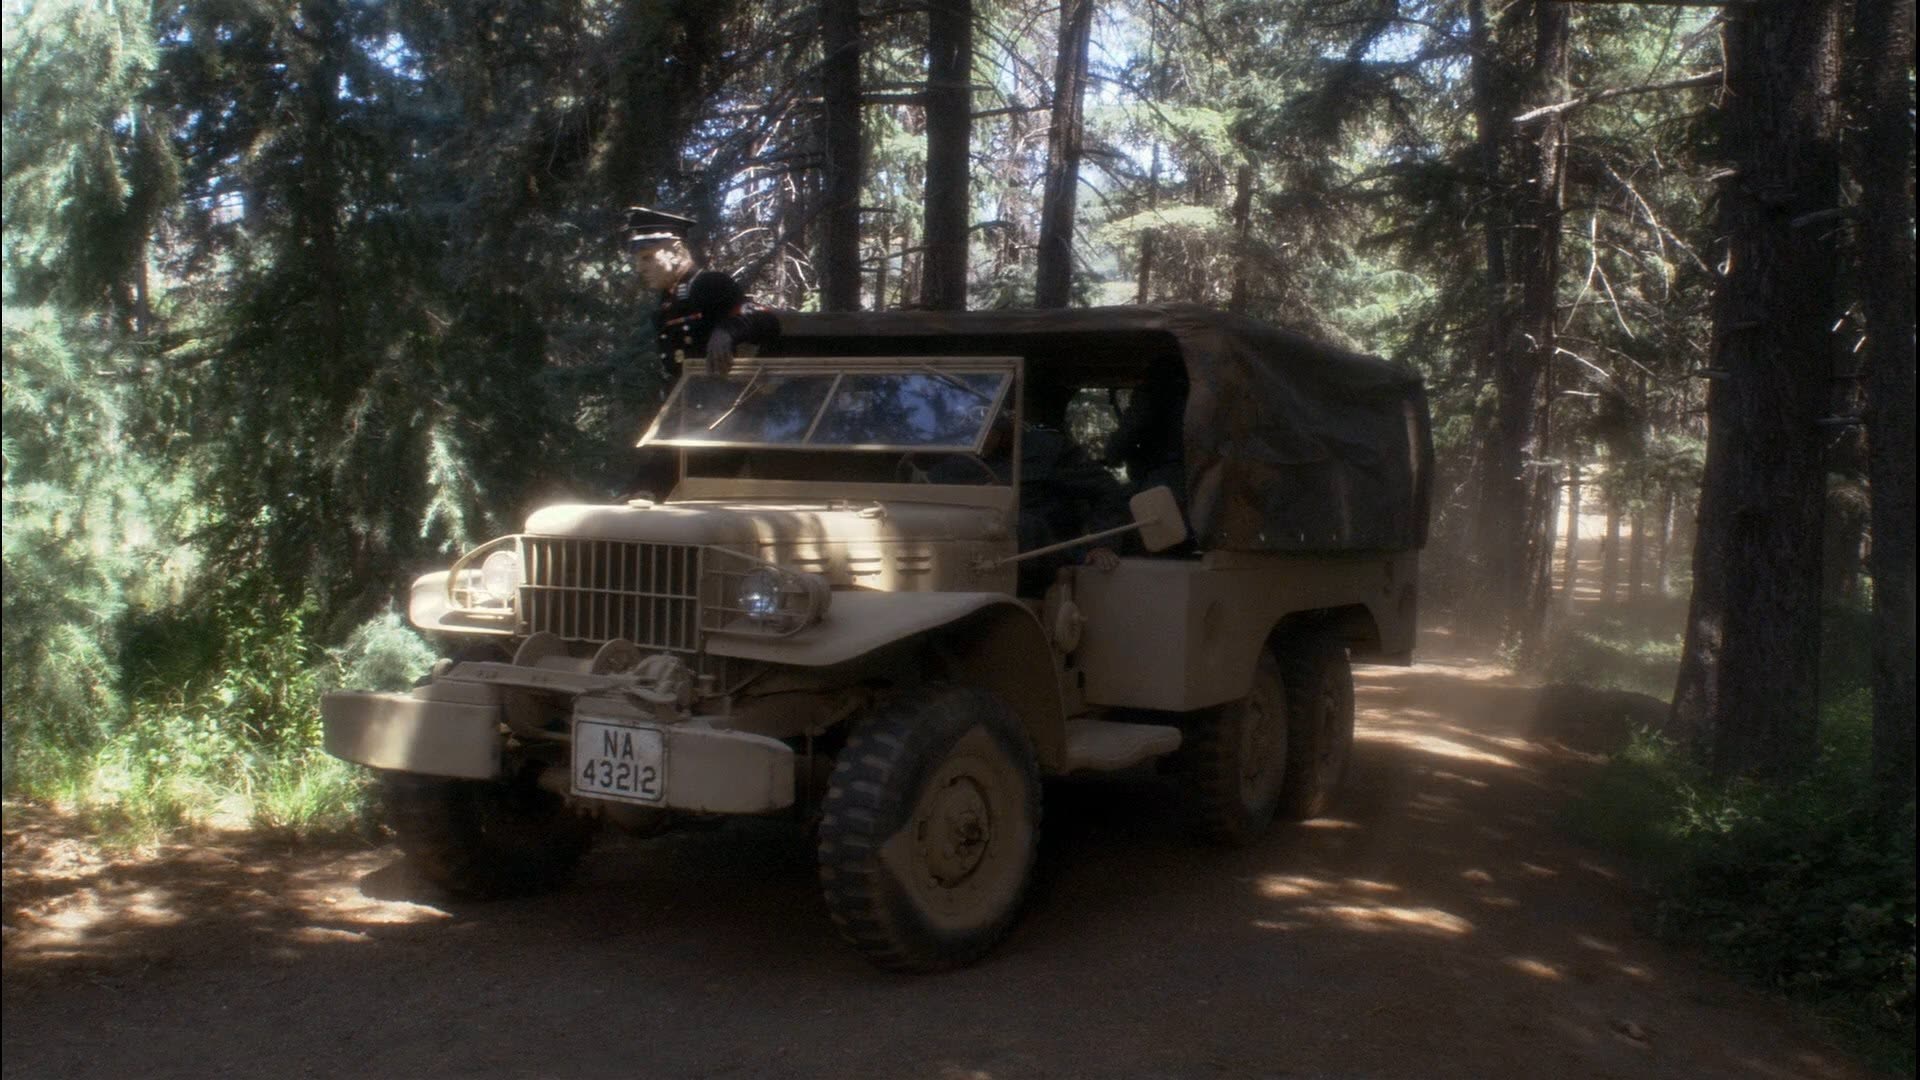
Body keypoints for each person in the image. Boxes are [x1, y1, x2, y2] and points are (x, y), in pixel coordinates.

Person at [620, 206, 781, 379]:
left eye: (647, 257)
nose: (639, 268)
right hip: (688, 393)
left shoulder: (708, 283)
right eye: (637, 260)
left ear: (676, 251)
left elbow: (765, 319)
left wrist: (726, 331)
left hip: (726, 392)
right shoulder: (668, 299)